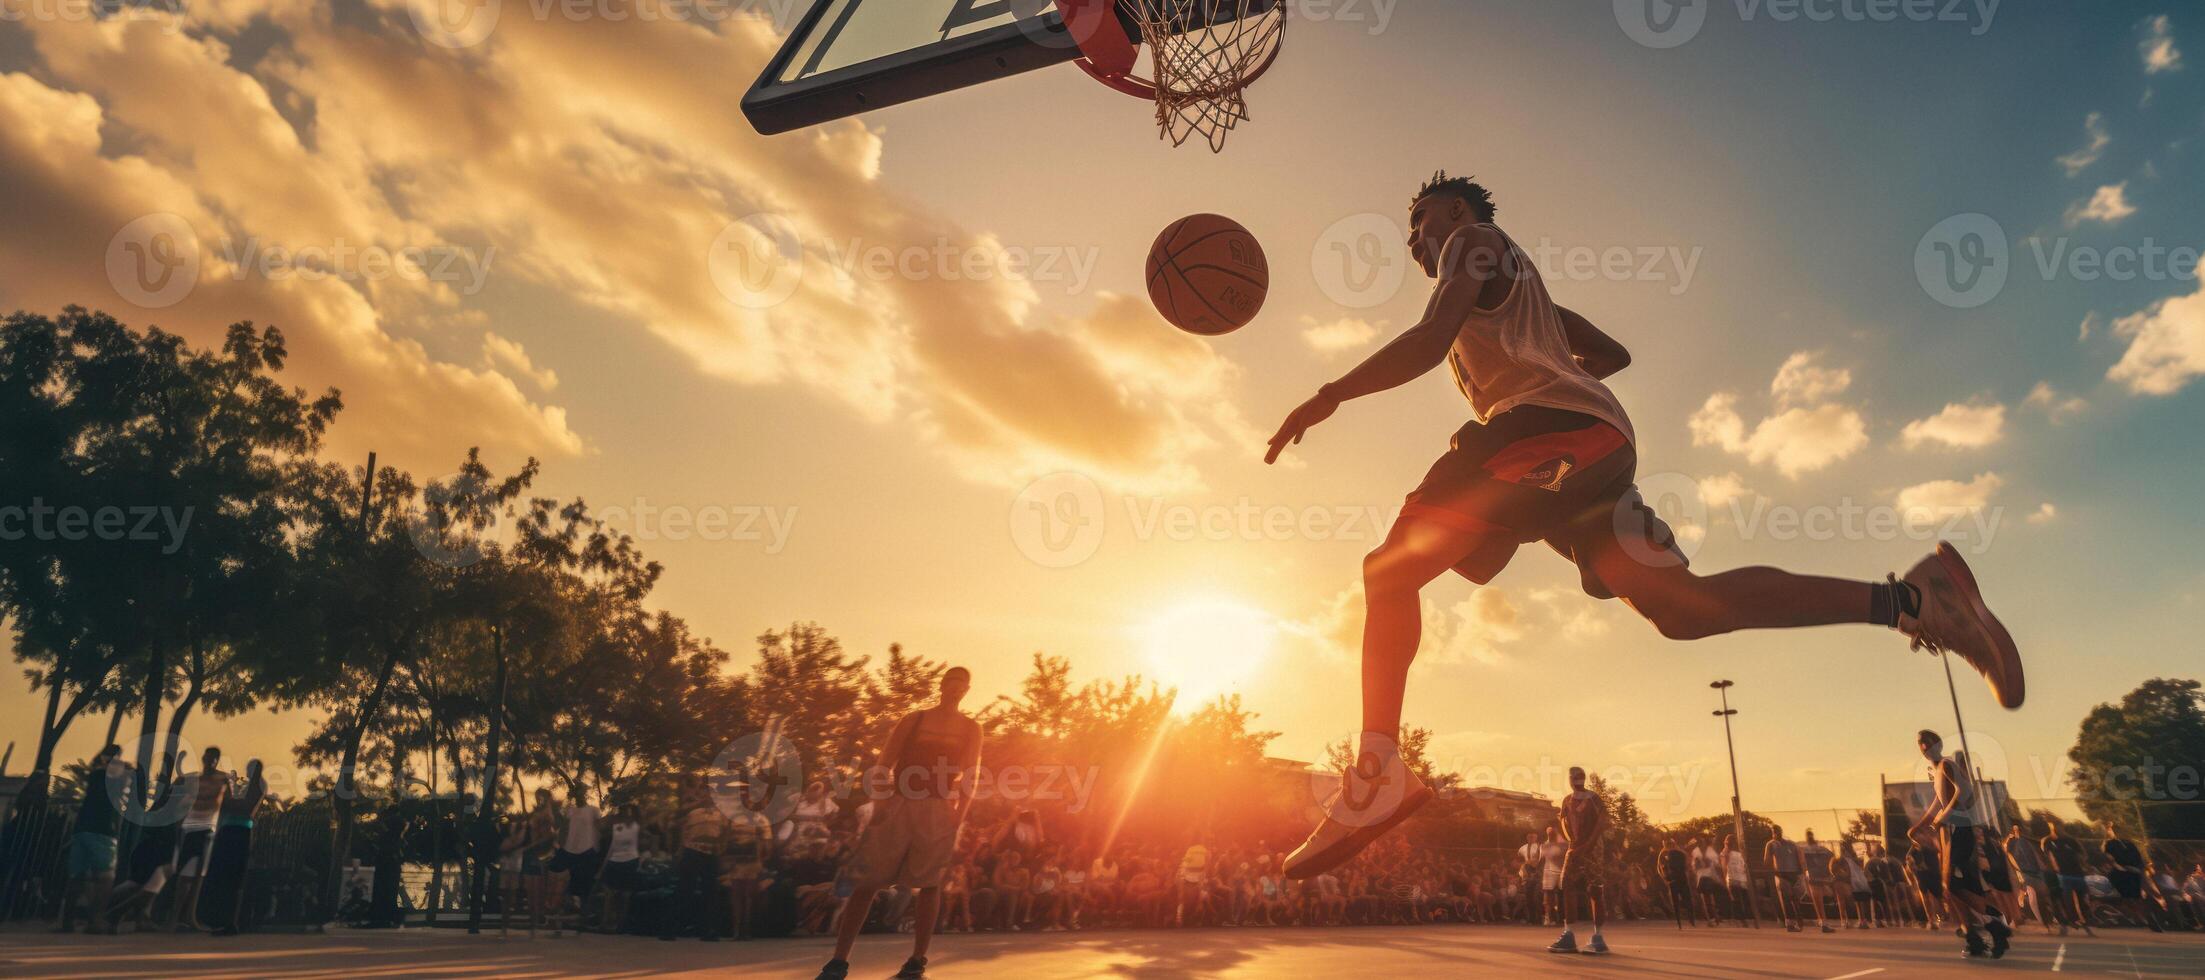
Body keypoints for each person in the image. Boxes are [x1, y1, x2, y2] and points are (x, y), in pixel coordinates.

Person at [1269, 173, 2026, 880]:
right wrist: (1562, 368)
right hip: (1587, 448)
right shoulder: (1520, 294)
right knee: (1683, 609)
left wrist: (1330, 393)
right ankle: (1911, 600)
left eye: (1419, 219)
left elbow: (1431, 338)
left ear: (1459, 215)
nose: (1412, 238)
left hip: (1547, 432)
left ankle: (1376, 770)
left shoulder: (1473, 247)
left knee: (1389, 569)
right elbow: (1612, 353)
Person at [816, 666, 983, 980]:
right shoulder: (915, 719)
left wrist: (960, 814)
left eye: (962, 684)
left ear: (967, 690)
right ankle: (838, 960)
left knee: (930, 884)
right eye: (951, 682)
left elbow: (970, 773)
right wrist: (881, 803)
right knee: (868, 882)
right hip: (899, 801)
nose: (955, 689)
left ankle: (916, 960)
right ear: (942, 685)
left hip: (939, 806)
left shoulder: (971, 728)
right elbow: (884, 762)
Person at [1910, 730, 2010, 957]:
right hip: (1949, 831)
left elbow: (1963, 791)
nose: (1924, 747)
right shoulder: (1935, 771)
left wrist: (1943, 817)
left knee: (1951, 885)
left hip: (1959, 828)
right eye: (1920, 744)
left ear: (1938, 743)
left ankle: (1995, 923)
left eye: (1928, 742)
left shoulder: (1946, 764)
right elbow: (1939, 799)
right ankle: (1976, 937)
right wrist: (1922, 824)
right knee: (1962, 888)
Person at [52, 745, 125, 935]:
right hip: (103, 830)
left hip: (82, 828)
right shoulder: (115, 776)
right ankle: (96, 921)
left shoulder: (95, 775)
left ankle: (68, 921)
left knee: (76, 876)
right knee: (105, 877)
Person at [167, 746, 230, 932]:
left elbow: (227, 801)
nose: (210, 762)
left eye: (214, 759)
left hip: (208, 829)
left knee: (198, 876)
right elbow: (177, 783)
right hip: (190, 828)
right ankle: (174, 917)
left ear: (217, 760)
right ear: (203, 758)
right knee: (184, 875)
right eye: (208, 758)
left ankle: (190, 917)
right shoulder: (193, 779)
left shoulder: (222, 780)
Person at [1546, 768, 1609, 955]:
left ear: (1583, 779)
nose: (1574, 780)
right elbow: (1564, 823)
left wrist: (1588, 845)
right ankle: (1569, 935)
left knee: (1595, 889)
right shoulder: (1567, 800)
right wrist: (1570, 843)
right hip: (1575, 848)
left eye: (1577, 776)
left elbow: (1602, 823)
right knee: (1567, 885)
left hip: (1593, 848)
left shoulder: (1594, 799)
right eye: (1571, 777)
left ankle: (1598, 938)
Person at [660, 779, 728, 942]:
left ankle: (708, 931)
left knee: (710, 893)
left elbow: (725, 833)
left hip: (711, 854)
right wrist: (679, 851)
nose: (707, 795)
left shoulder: (721, 814)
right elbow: (674, 823)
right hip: (692, 852)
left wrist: (721, 850)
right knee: (684, 891)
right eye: (704, 792)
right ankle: (669, 929)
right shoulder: (691, 811)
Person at [204, 759, 266, 936]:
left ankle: (229, 921)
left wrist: (227, 797)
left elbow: (244, 807)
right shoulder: (249, 786)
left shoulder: (257, 785)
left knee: (231, 878)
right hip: (232, 830)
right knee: (226, 878)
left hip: (237, 831)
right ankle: (223, 920)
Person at [548, 786, 601, 921]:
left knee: (586, 883)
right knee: (567, 882)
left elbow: (598, 828)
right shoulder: (569, 811)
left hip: (587, 849)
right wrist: (561, 846)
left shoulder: (593, 810)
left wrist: (596, 847)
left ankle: (585, 913)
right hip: (570, 850)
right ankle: (564, 909)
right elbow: (564, 829)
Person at [2100, 822, 2163, 932]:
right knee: (2135, 900)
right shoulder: (2116, 845)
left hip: (2133, 872)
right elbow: (2106, 849)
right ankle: (2145, 919)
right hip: (2128, 873)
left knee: (2140, 898)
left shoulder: (2126, 844)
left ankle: (2149, 919)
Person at [2042, 821, 2096, 935]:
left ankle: (2086, 922)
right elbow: (2049, 856)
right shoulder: (2049, 842)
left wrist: (2082, 864)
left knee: (2082, 899)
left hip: (2077, 873)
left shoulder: (2070, 840)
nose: (2054, 830)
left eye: (2054, 827)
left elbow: (2082, 853)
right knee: (2066, 900)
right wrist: (2056, 869)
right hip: (2063, 875)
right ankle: (2070, 922)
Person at [2002, 826, 2059, 935]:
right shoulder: (2012, 844)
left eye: (2017, 830)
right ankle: (2044, 923)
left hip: (2034, 872)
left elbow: (2035, 856)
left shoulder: (2025, 842)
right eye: (2014, 830)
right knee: (2033, 898)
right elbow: (2007, 853)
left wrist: (2042, 868)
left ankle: (2050, 919)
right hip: (2026, 873)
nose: (2016, 832)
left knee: (2043, 895)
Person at [726, 798, 770, 940]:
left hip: (750, 863)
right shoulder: (735, 820)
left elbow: (767, 846)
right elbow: (727, 840)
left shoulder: (761, 821)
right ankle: (739, 930)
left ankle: (743, 929)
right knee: (740, 897)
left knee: (745, 897)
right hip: (739, 863)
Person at [599, 803, 645, 934]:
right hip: (614, 860)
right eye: (624, 812)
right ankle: (606, 921)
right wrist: (603, 866)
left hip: (630, 860)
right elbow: (612, 846)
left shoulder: (636, 826)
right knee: (610, 893)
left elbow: (643, 820)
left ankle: (622, 923)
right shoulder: (617, 826)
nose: (626, 815)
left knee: (625, 894)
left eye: (629, 812)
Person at [1764, 826, 1805, 932]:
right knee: (1785, 898)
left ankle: (1799, 921)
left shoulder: (1791, 844)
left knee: (1795, 899)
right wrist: (1773, 870)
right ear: (1772, 833)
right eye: (1774, 832)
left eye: (1778, 831)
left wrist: (1802, 872)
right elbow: (1767, 860)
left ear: (1781, 831)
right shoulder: (1770, 844)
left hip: (1794, 874)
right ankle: (1789, 923)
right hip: (1781, 874)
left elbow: (1799, 857)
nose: (1776, 833)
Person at [1801, 829, 1836, 933]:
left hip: (1813, 876)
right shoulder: (1823, 849)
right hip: (1823, 875)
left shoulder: (1804, 850)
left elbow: (1803, 863)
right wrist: (1829, 871)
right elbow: (1833, 857)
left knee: (1817, 900)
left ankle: (1822, 922)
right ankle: (1822, 921)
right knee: (1819, 899)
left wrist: (1805, 873)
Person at [1655, 837, 1693, 929]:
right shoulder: (1663, 854)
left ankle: (1691, 918)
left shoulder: (1680, 852)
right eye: (1667, 844)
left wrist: (1688, 875)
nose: (1669, 846)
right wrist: (1665, 880)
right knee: (1675, 901)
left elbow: (1687, 864)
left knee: (1687, 899)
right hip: (1672, 880)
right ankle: (1679, 921)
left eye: (1670, 844)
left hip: (1682, 878)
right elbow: (1660, 868)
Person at [1720, 834, 1752, 927]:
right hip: (1742, 879)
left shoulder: (1724, 853)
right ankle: (1744, 919)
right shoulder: (1739, 854)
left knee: (1735, 900)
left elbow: (1724, 867)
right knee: (1743, 899)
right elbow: (1744, 867)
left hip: (1732, 878)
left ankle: (1741, 920)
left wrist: (1724, 879)